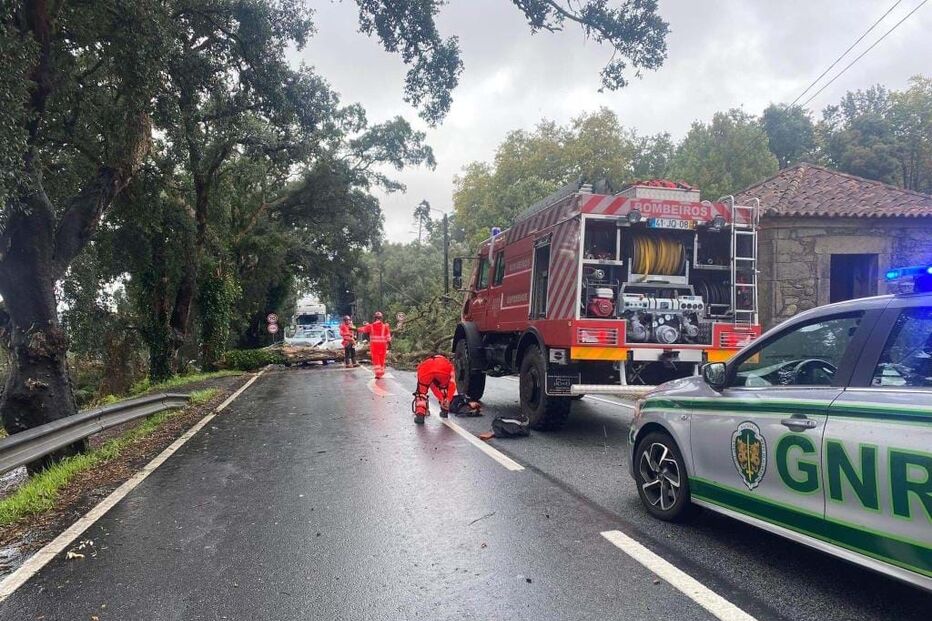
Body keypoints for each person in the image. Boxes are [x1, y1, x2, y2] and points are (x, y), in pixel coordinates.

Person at [412, 354, 457, 424]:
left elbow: (433, 387)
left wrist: (441, 398)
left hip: (424, 371)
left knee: (421, 394)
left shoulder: (424, 363)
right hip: (443, 371)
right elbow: (452, 383)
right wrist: (448, 398)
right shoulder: (448, 364)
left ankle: (420, 415)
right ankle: (444, 411)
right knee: (444, 388)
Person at [357, 311, 391, 378]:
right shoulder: (385, 327)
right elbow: (388, 338)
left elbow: (362, 330)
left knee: (376, 360)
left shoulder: (370, 326)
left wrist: (353, 328)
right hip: (383, 346)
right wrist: (389, 345)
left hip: (374, 346)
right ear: (381, 318)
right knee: (382, 359)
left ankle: (378, 374)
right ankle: (381, 372)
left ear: (374, 318)